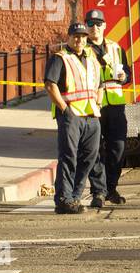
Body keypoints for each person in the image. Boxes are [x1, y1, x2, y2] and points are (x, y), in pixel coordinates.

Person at [44, 22, 102, 214]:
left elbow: (100, 84)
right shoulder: (60, 58)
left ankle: (75, 197)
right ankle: (63, 199)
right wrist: (64, 109)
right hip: (71, 116)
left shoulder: (91, 58)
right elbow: (50, 85)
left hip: (91, 116)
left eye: (83, 36)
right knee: (69, 158)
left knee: (89, 158)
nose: (80, 40)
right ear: (69, 37)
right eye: (76, 36)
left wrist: (99, 104)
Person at [85, 9, 129, 209]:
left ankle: (111, 187)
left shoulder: (115, 47)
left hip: (116, 105)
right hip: (95, 105)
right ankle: (98, 191)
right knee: (95, 150)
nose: (94, 27)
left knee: (118, 149)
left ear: (105, 25)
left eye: (98, 23)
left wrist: (124, 77)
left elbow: (127, 73)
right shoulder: (83, 50)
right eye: (91, 24)